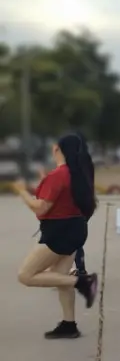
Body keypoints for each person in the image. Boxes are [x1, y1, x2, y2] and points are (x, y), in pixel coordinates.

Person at [13, 133, 99, 339]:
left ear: (57, 149)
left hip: (59, 233)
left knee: (25, 275)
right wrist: (44, 183)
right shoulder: (77, 173)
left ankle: (82, 282)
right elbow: (58, 198)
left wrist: (21, 192)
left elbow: (41, 208)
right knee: (60, 277)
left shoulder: (59, 175)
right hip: (75, 229)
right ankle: (69, 325)